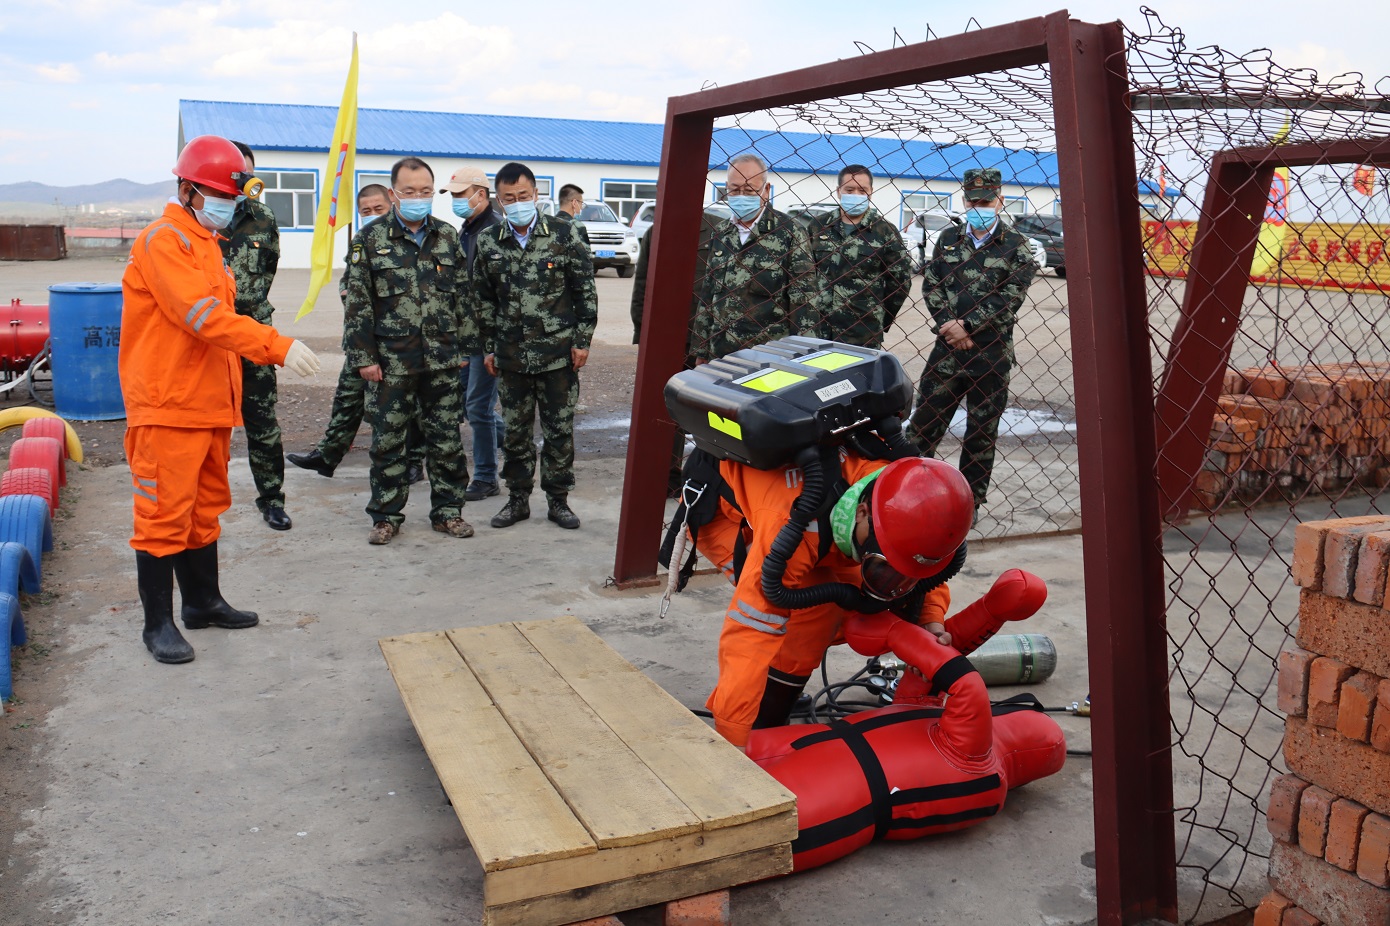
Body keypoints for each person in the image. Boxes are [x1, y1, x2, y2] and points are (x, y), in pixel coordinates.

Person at [120, 134, 321, 664]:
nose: (229, 205)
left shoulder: (207, 243)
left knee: (204, 508)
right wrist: (276, 346)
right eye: (220, 195)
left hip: (207, 403)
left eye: (232, 197)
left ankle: (202, 603)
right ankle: (157, 625)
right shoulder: (164, 241)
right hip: (168, 405)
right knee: (163, 514)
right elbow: (203, 317)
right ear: (187, 190)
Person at [747, 582, 1065, 872]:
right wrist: (990, 612)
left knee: (737, 836)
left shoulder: (980, 760)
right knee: (722, 767)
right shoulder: (936, 716)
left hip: (834, 789)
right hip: (816, 752)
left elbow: (964, 680)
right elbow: (944, 652)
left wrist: (895, 631)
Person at [696, 451, 976, 749]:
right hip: (726, 516)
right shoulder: (791, 524)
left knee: (877, 606)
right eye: (886, 564)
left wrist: (930, 621)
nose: (893, 578)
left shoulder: (901, 487)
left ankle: (778, 687)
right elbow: (751, 628)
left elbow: (920, 567)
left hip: (825, 525)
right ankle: (766, 719)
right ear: (863, 512)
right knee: (815, 612)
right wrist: (733, 737)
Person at [343, 157, 474, 545]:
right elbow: (358, 305)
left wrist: (465, 348)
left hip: (442, 360)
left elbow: (462, 298)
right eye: (409, 191)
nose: (418, 197)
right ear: (393, 193)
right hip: (392, 364)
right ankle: (386, 516)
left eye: (425, 191)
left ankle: (448, 512)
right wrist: (364, 358)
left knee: (446, 441)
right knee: (388, 443)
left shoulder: (447, 236)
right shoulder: (369, 239)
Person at [473, 162, 597, 531]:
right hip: (511, 357)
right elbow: (482, 300)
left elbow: (584, 291)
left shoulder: (565, 233)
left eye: (523, 196)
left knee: (559, 431)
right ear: (499, 200)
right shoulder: (489, 241)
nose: (517, 203)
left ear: (536, 194)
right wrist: (489, 347)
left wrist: (582, 341)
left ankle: (558, 501)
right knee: (516, 433)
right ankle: (517, 500)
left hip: (558, 355)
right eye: (509, 198)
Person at [908, 167, 1037, 515]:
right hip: (947, 352)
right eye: (974, 201)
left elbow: (1010, 298)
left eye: (987, 201)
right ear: (965, 201)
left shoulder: (1017, 246)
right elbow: (932, 285)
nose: (980, 207)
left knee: (981, 435)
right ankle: (906, 494)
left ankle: (969, 504)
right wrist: (948, 325)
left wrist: (966, 325)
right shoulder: (948, 238)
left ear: (1000, 201)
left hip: (990, 356)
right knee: (923, 426)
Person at [286, 185, 426, 483]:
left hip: (397, 342)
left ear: (392, 206)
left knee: (406, 405)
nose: (372, 215)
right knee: (348, 396)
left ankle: (413, 461)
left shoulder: (409, 243)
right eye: (366, 211)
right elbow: (349, 283)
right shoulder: (362, 242)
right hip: (361, 340)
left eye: (379, 209)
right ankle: (328, 454)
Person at [219, 141, 292, 531]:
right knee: (207, 424)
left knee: (263, 422)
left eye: (246, 173)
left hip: (254, 335)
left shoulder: (262, 217)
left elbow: (268, 269)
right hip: (210, 340)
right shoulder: (198, 219)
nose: (240, 181)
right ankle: (201, 501)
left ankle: (272, 499)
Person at [629, 207, 723, 496]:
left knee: (713, 410)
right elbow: (643, 282)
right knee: (668, 408)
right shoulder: (656, 231)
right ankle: (668, 476)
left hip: (709, 338)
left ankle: (716, 475)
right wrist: (642, 332)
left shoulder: (719, 229)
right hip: (669, 338)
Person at [692, 153, 820, 361]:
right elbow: (708, 295)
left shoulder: (790, 232)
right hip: (721, 354)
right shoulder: (721, 233)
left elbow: (804, 301)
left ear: (766, 190)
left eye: (750, 190)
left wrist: (803, 357)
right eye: (735, 190)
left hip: (768, 357)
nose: (741, 196)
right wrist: (701, 350)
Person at [443, 166, 505, 503]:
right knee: (471, 406)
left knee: (478, 407)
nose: (455, 200)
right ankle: (516, 444)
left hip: (487, 337)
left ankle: (485, 476)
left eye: (460, 194)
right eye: (452, 195)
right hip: (467, 336)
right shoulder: (467, 230)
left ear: (480, 194)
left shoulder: (494, 231)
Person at [804, 164, 912, 348]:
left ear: (871, 193)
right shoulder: (817, 226)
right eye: (849, 190)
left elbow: (900, 282)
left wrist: (880, 318)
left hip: (863, 332)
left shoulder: (885, 231)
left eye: (862, 190)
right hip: (817, 328)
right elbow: (803, 273)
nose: (855, 195)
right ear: (838, 191)